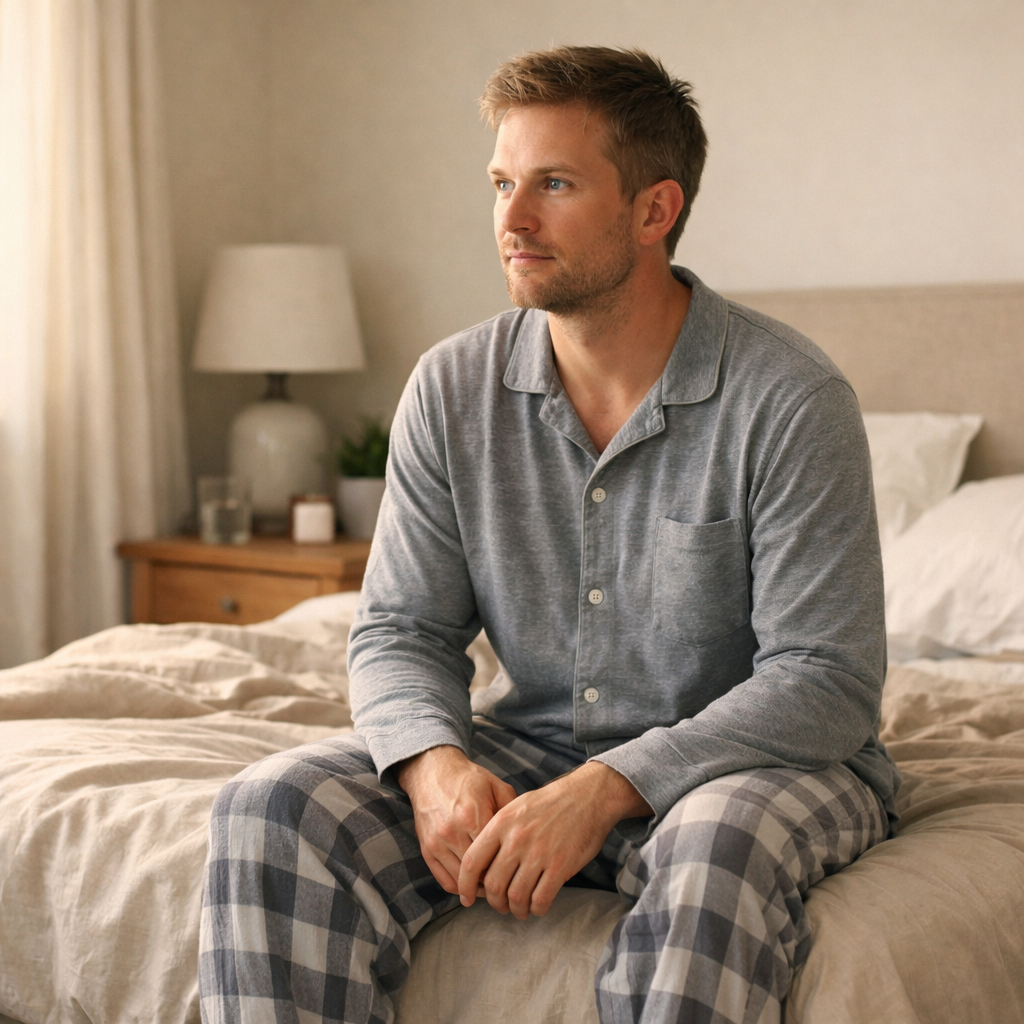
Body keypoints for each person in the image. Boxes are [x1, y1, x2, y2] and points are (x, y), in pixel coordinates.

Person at [199, 45, 901, 1024]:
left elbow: (823, 681)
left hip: (755, 767)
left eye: (554, 185)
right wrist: (435, 767)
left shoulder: (789, 399)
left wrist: (608, 786)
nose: (511, 220)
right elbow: (401, 630)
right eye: (500, 184)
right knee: (273, 806)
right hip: (527, 749)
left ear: (654, 211)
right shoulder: (451, 387)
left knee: (714, 849)